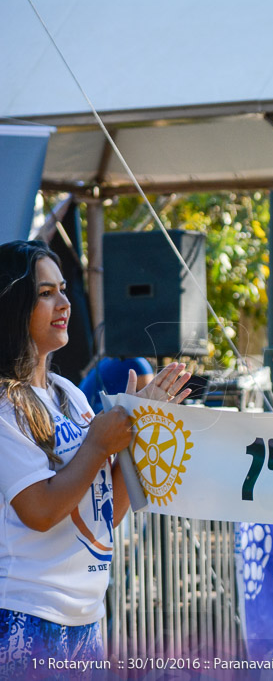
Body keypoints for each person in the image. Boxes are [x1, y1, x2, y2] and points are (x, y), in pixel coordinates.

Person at [0, 241, 191, 670]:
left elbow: (105, 512)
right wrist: (99, 444)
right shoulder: (4, 405)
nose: (65, 302)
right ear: (13, 305)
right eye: (45, 292)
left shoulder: (67, 393)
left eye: (63, 289)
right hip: (25, 617)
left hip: (87, 618)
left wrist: (142, 425)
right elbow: (42, 511)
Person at [79, 356, 155, 413]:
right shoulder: (138, 363)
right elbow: (153, 402)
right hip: (98, 417)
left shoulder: (106, 360)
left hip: (82, 415)